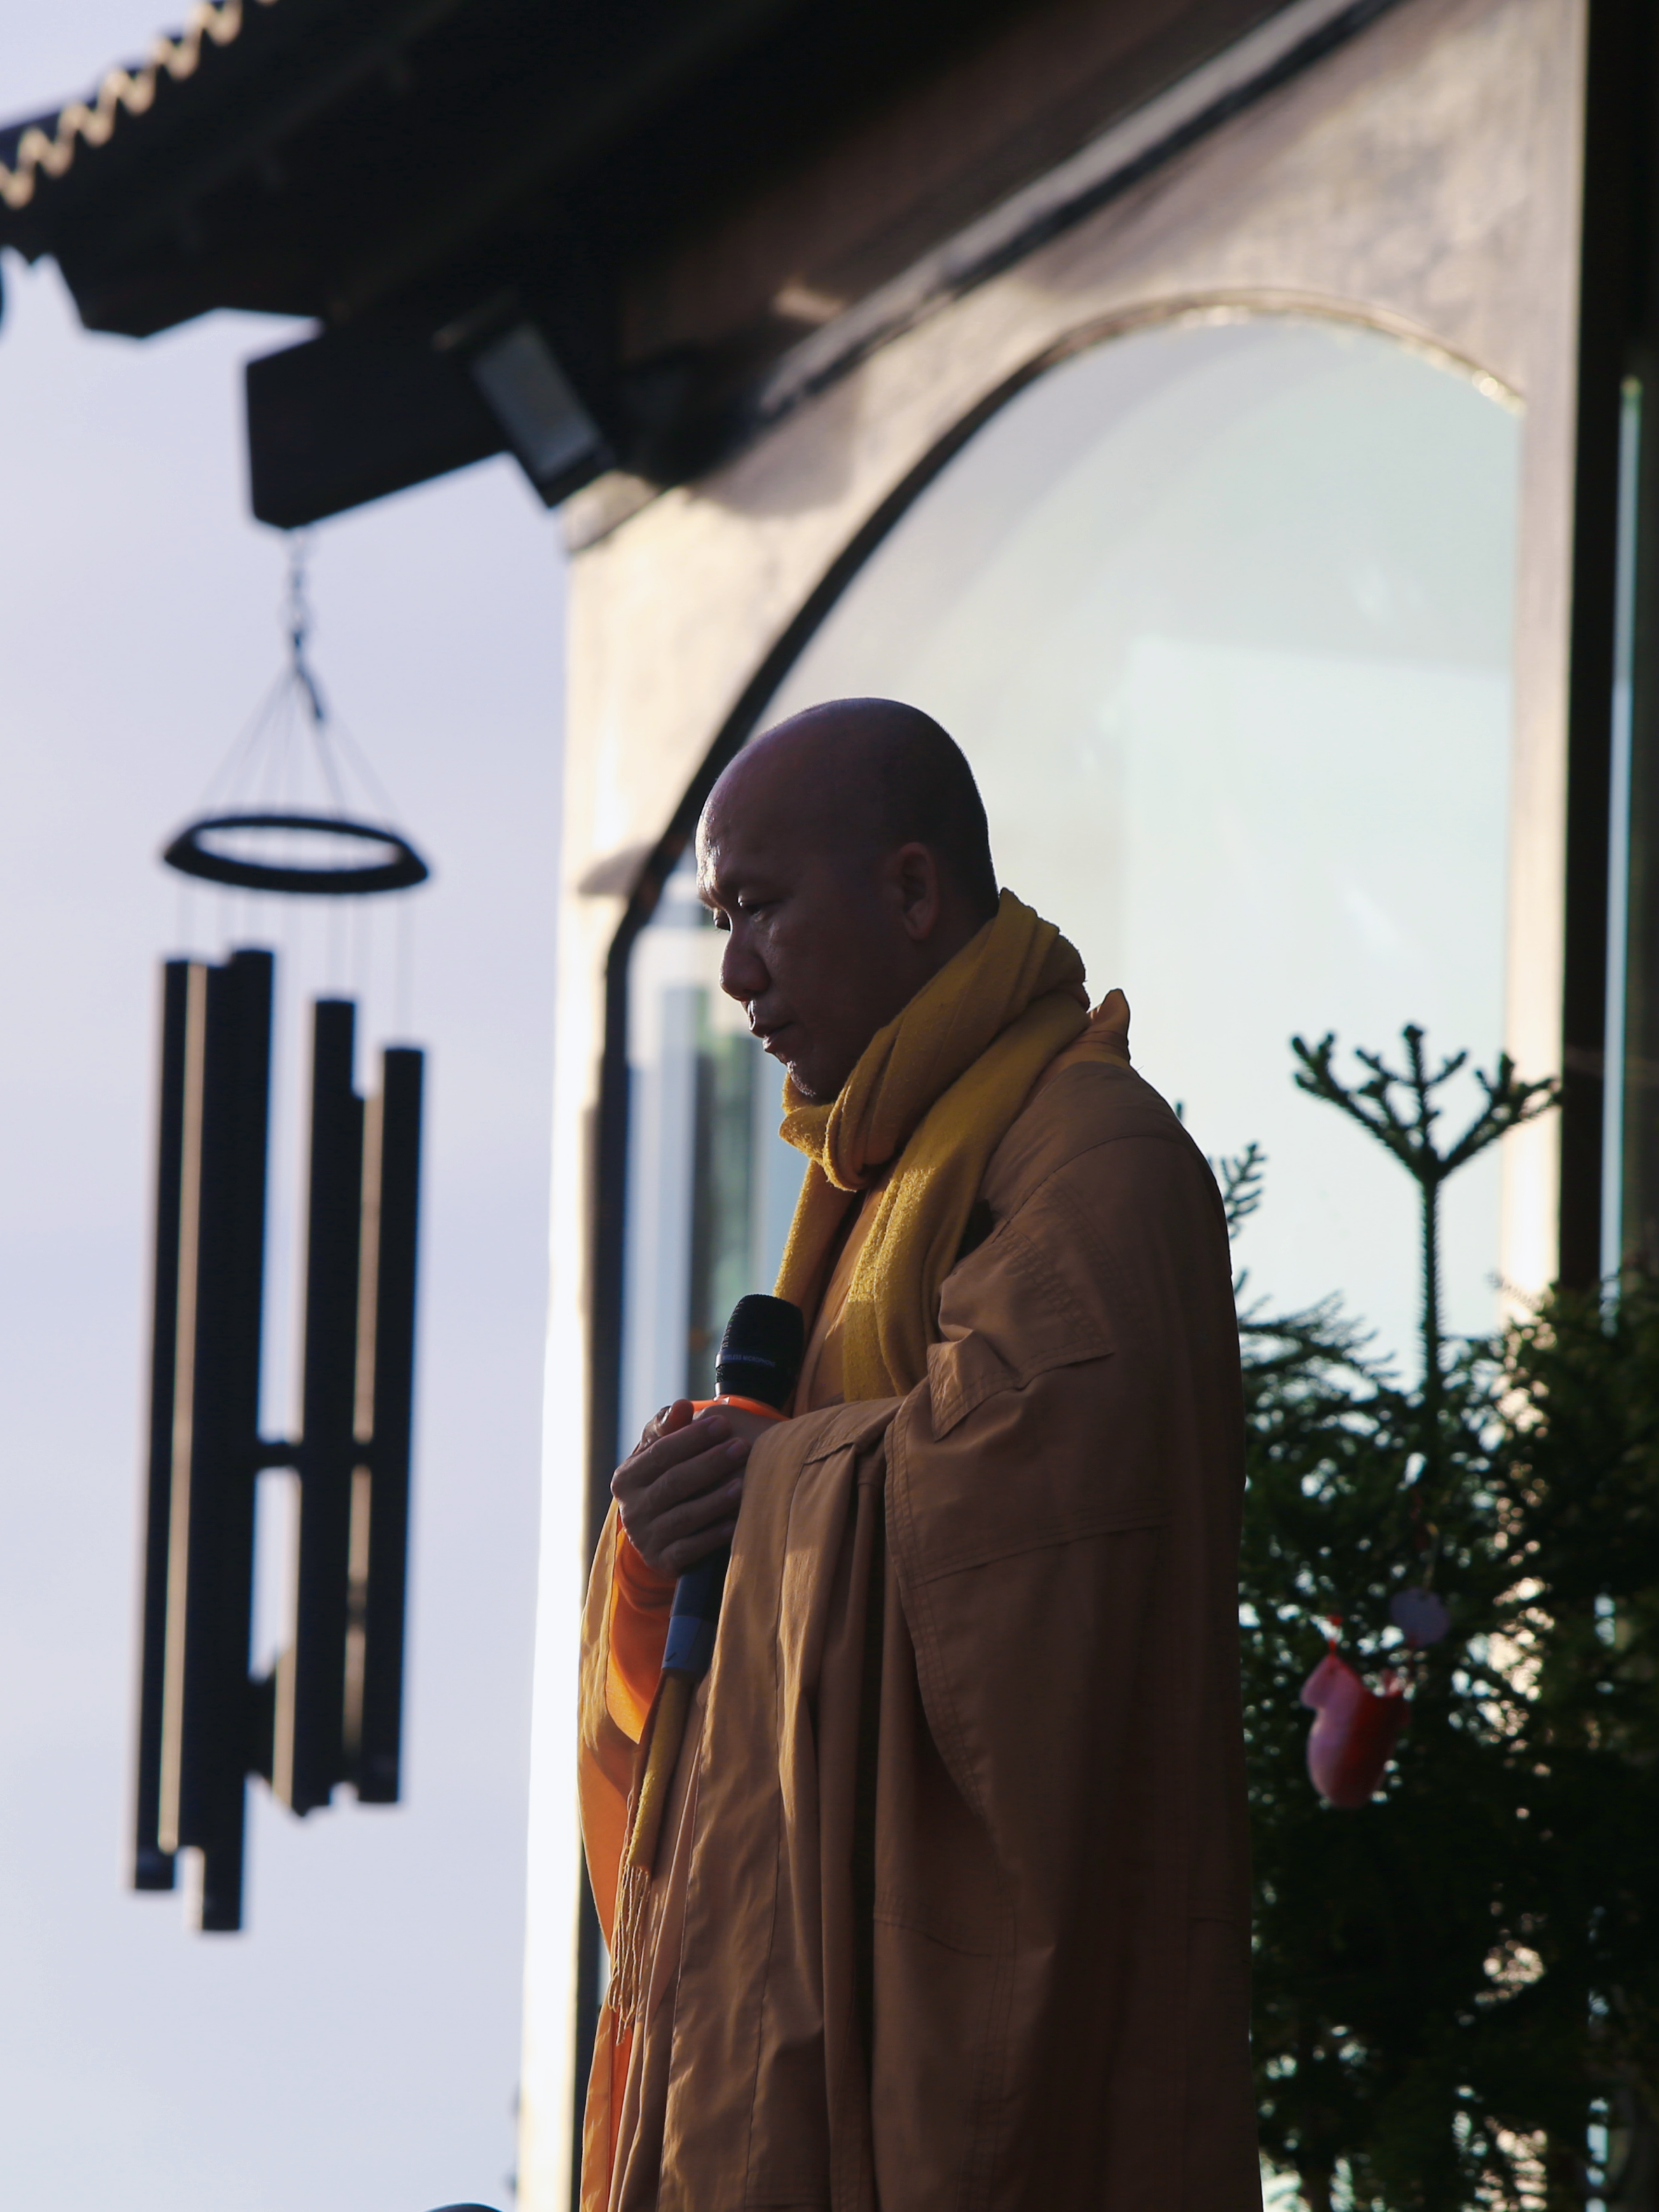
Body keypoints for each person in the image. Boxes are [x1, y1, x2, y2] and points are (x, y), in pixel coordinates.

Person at [577, 697, 1259, 2210]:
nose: (738, 976)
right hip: (782, 2023)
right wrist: (677, 1527)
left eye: (761, 909)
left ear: (908, 890)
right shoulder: (870, 1192)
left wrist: (777, 1489)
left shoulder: (1094, 1157)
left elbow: (1043, 1525)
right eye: (722, 925)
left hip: (969, 2081)